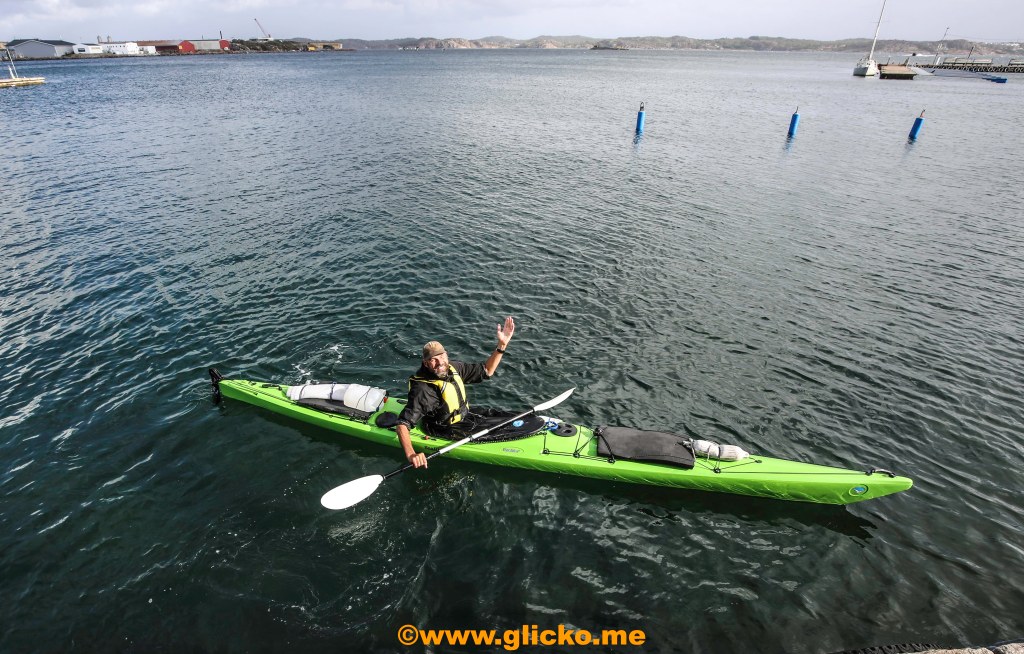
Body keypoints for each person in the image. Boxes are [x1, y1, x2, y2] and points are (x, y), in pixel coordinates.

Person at [396, 316, 515, 469]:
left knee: (507, 417)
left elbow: (487, 371)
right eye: (433, 360)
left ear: (446, 355)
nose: (440, 363)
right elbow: (402, 424)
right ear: (426, 363)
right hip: (444, 428)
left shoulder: (453, 368)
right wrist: (412, 454)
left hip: (466, 417)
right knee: (502, 432)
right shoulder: (424, 390)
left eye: (441, 357)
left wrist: (501, 345)